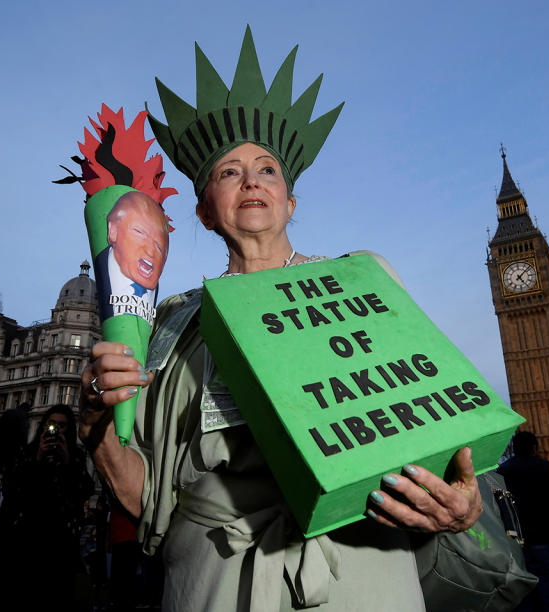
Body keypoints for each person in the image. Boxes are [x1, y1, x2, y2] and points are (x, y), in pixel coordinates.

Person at [79, 27, 483, 611]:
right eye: (228, 172)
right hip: (213, 579)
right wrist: (96, 429)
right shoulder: (171, 323)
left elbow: (439, 430)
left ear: (289, 201)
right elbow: (142, 496)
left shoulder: (361, 279)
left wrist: (463, 502)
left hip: (361, 572)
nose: (250, 181)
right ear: (203, 212)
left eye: (266, 169)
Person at [0, 404, 94, 611]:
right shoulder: (28, 452)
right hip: (26, 536)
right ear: (44, 425)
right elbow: (14, 487)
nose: (56, 429)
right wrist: (37, 458)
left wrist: (67, 460)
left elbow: (84, 490)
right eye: (52, 424)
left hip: (61, 539)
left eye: (62, 426)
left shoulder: (76, 456)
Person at [497, 431, 549, 612]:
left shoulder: (502, 471)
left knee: (523, 598)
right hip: (547, 540)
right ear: (534, 448)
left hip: (515, 545)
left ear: (514, 448)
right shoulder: (545, 467)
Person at [94, 190, 170, 320]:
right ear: (113, 230)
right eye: (139, 232)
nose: (150, 251)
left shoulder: (166, 308)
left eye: (159, 247)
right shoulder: (101, 276)